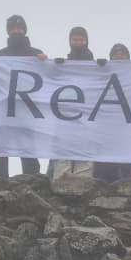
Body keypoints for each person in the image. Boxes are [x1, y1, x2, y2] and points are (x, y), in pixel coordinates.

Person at [0, 15, 46, 177]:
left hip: (27, 107)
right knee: (1, 145)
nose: (17, 31)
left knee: (28, 144)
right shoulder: (0, 54)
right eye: (13, 28)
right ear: (8, 31)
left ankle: (32, 178)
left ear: (25, 30)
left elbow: (48, 77)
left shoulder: (36, 54)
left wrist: (45, 61)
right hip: (5, 106)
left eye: (20, 28)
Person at [49, 27, 96, 179]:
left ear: (87, 41)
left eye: (81, 39)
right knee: (63, 152)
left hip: (87, 117)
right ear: (70, 41)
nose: (78, 42)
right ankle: (60, 186)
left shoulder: (96, 66)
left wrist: (105, 68)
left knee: (85, 154)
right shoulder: (62, 65)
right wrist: (49, 65)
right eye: (75, 39)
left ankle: (83, 187)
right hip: (64, 117)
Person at [93, 42, 131, 182]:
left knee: (127, 166)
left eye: (123, 53)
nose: (119, 55)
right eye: (115, 53)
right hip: (105, 126)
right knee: (103, 169)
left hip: (126, 127)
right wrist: (96, 68)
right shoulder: (102, 73)